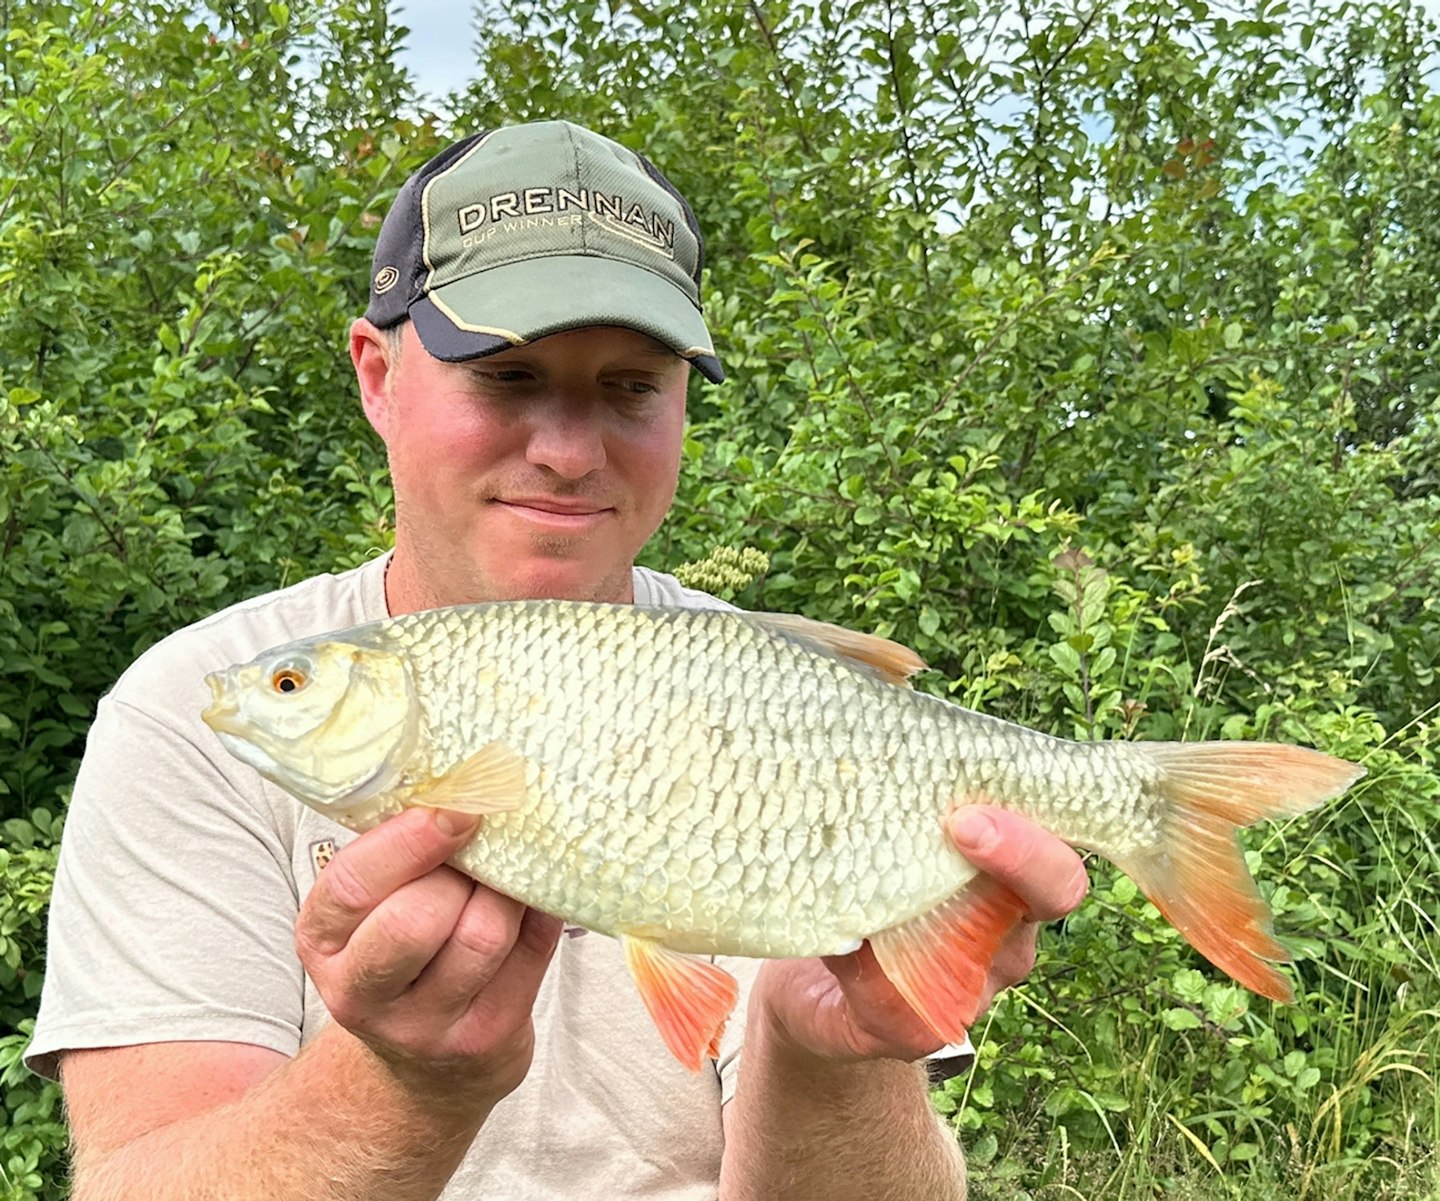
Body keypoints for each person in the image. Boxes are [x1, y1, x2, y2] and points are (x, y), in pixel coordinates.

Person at [29, 120, 1088, 1200]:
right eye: (506, 374)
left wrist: (827, 1056)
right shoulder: (181, 712)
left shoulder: (764, 691)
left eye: (631, 386)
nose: (569, 452)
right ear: (377, 376)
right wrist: (406, 1086)